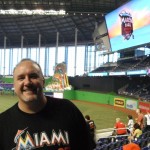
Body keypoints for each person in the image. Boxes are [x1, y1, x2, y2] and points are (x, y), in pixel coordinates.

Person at [0, 58, 94, 150]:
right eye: (21, 78)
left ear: (43, 81)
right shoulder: (3, 123)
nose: (27, 82)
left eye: (33, 76)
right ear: (14, 85)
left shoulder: (68, 110)